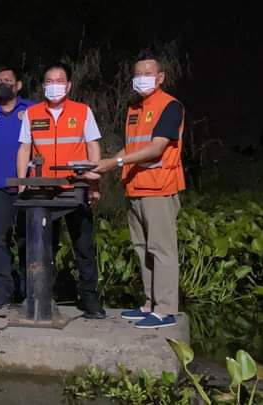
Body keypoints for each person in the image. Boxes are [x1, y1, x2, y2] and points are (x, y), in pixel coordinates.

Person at [94, 50, 185, 329]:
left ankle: (166, 309)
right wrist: (105, 164)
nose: (142, 79)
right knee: (142, 248)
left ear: (160, 77)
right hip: (135, 187)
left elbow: (156, 148)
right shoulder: (134, 108)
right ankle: (150, 304)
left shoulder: (169, 106)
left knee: (162, 249)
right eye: (137, 74)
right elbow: (132, 147)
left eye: (148, 74)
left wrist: (115, 162)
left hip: (159, 188)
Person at [16, 64, 106, 319]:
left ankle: (89, 299)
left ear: (68, 85)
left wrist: (94, 184)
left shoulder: (82, 111)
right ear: (44, 85)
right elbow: (24, 149)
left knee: (83, 246)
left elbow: (93, 146)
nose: (54, 85)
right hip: (43, 192)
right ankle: (42, 298)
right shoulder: (32, 113)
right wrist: (22, 183)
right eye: (49, 80)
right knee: (43, 248)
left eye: (59, 80)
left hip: (76, 187)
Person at [0, 66, 35, 309]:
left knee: (27, 239)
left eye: (8, 80)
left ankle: (30, 290)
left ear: (18, 85)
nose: (4, 84)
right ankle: (2, 290)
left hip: (27, 185)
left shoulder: (32, 109)